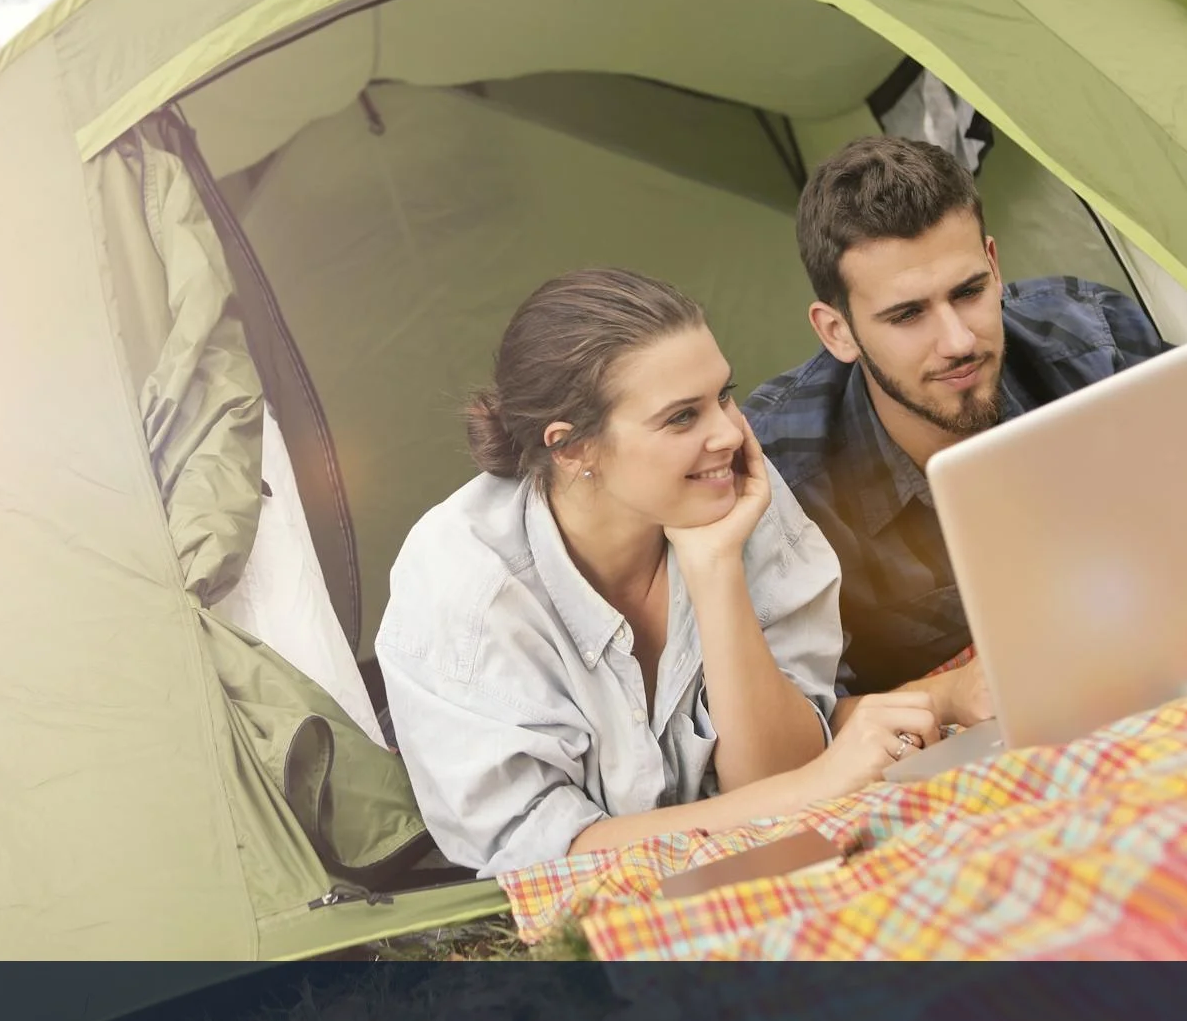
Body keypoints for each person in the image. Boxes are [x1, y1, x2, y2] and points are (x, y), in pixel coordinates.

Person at [377, 269, 944, 877]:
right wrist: (809, 789)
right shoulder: (465, 585)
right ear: (572, 448)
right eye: (681, 418)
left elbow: (777, 773)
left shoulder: (729, 491)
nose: (728, 433)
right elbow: (544, 860)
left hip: (747, 871)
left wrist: (715, 567)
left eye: (724, 395)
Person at [746, 135, 1169, 695]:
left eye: (969, 291)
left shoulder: (1095, 339)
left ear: (994, 267)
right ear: (837, 331)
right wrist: (947, 696)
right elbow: (807, 714)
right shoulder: (781, 468)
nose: (958, 341)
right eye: (908, 314)